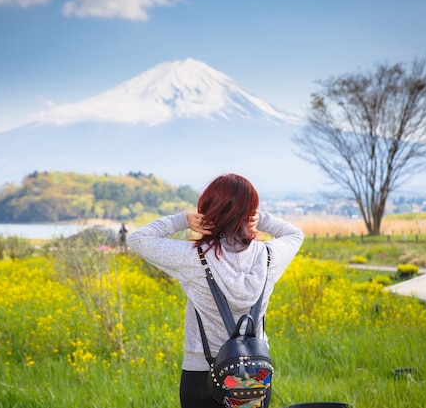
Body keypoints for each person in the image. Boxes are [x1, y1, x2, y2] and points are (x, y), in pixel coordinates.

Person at [127, 174, 304, 408]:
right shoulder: (269, 257)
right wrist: (261, 220)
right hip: (255, 377)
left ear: (208, 211)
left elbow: (138, 239)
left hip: (202, 373)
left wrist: (183, 220)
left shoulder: (194, 258)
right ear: (250, 214)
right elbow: (295, 234)